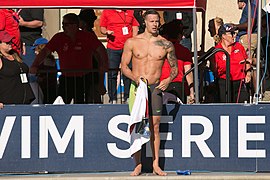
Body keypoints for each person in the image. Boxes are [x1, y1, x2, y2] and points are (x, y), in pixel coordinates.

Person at [121, 9, 178, 176]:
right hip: (138, 88)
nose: (155, 24)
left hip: (155, 87)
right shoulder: (132, 42)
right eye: (152, 21)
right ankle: (137, 164)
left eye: (157, 21)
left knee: (155, 126)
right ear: (144, 22)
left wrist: (168, 80)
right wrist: (135, 78)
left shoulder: (166, 44)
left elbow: (174, 68)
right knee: (138, 125)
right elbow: (124, 66)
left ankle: (156, 164)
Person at [31, 13, 107, 104]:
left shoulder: (87, 37)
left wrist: (104, 65)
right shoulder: (59, 37)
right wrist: (35, 65)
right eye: (63, 24)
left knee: (83, 105)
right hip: (66, 78)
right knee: (61, 104)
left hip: (84, 78)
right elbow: (44, 52)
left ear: (75, 25)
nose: (63, 27)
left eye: (66, 25)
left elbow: (101, 51)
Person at [100, 9, 139, 104]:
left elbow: (135, 26)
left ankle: (127, 97)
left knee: (128, 72)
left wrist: (134, 40)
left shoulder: (130, 11)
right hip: (113, 48)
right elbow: (102, 28)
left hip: (128, 48)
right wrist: (107, 32)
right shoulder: (107, 11)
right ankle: (112, 98)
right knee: (112, 73)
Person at [213, 24, 252, 103]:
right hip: (224, 82)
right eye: (232, 33)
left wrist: (248, 73)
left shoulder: (239, 46)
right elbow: (214, 68)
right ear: (223, 36)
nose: (234, 36)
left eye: (235, 33)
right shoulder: (217, 50)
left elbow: (247, 60)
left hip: (239, 81)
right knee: (226, 106)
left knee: (242, 105)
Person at [159, 20, 194, 104]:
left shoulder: (158, 49)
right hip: (177, 85)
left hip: (160, 84)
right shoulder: (184, 50)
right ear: (179, 35)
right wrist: (192, 92)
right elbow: (188, 72)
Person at [79, 9, 108, 104]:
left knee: (92, 100)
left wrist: (100, 82)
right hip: (87, 73)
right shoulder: (83, 35)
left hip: (91, 74)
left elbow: (99, 57)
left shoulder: (89, 36)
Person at [0, 30, 35, 107]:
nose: (10, 44)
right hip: (8, 103)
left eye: (10, 41)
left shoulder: (15, 55)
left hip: (24, 101)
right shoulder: (1, 59)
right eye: (7, 42)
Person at [32, 37, 57, 104]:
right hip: (46, 87)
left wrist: (40, 78)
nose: (35, 52)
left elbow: (49, 74)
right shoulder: (49, 60)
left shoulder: (47, 60)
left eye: (36, 49)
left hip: (47, 88)